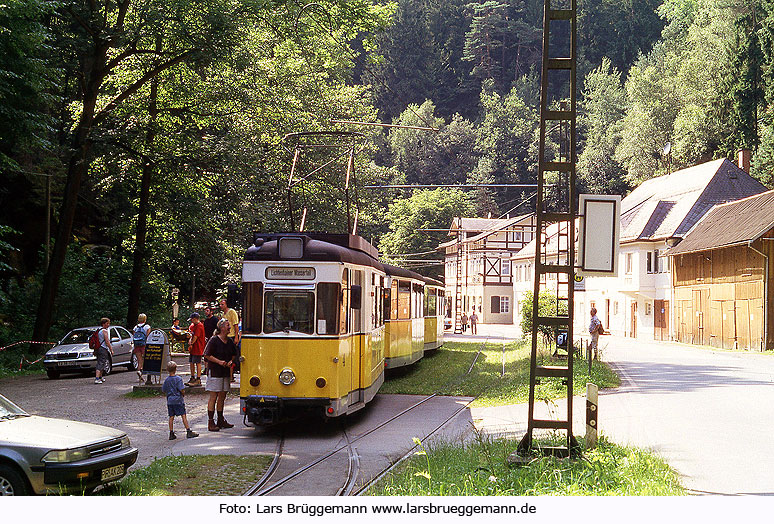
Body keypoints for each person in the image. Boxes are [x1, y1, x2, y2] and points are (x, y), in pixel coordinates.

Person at [203, 318, 236, 431]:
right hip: (215, 371)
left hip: (225, 372)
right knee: (214, 396)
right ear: (222, 328)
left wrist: (231, 361)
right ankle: (211, 422)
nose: (229, 327)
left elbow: (234, 354)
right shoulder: (214, 340)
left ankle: (220, 420)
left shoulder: (229, 341)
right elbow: (206, 355)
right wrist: (219, 362)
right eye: (227, 325)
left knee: (222, 396)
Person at [161, 361, 199, 440]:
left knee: (171, 417)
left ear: (168, 370)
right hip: (178, 400)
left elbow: (164, 389)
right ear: (175, 369)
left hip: (170, 401)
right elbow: (181, 389)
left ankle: (171, 433)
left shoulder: (166, 380)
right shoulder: (178, 379)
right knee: (183, 415)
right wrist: (183, 394)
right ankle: (188, 431)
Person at [219, 299, 240, 373]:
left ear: (226, 304)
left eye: (222, 304)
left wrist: (236, 337)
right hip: (225, 336)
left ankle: (234, 370)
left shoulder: (231, 312)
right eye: (220, 304)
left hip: (232, 335)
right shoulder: (223, 314)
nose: (221, 306)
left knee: (232, 354)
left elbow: (235, 325)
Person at [186, 312, 205, 386]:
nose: (191, 321)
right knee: (191, 362)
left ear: (195, 319)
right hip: (192, 348)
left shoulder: (199, 326)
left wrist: (191, 343)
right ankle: (192, 377)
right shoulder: (192, 325)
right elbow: (191, 335)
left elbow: (195, 337)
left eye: (192, 319)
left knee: (198, 363)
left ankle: (198, 379)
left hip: (198, 347)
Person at [132, 313, 151, 384]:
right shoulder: (147, 327)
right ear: (145, 319)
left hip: (137, 345)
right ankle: (141, 370)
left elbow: (134, 336)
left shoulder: (135, 327)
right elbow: (148, 336)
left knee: (139, 360)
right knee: (144, 359)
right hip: (144, 345)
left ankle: (139, 370)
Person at [94, 318, 113, 384]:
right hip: (103, 348)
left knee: (102, 362)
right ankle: (97, 378)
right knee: (101, 363)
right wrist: (111, 349)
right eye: (107, 323)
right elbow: (107, 341)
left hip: (98, 348)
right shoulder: (104, 331)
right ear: (103, 324)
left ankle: (100, 377)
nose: (108, 325)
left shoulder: (98, 330)